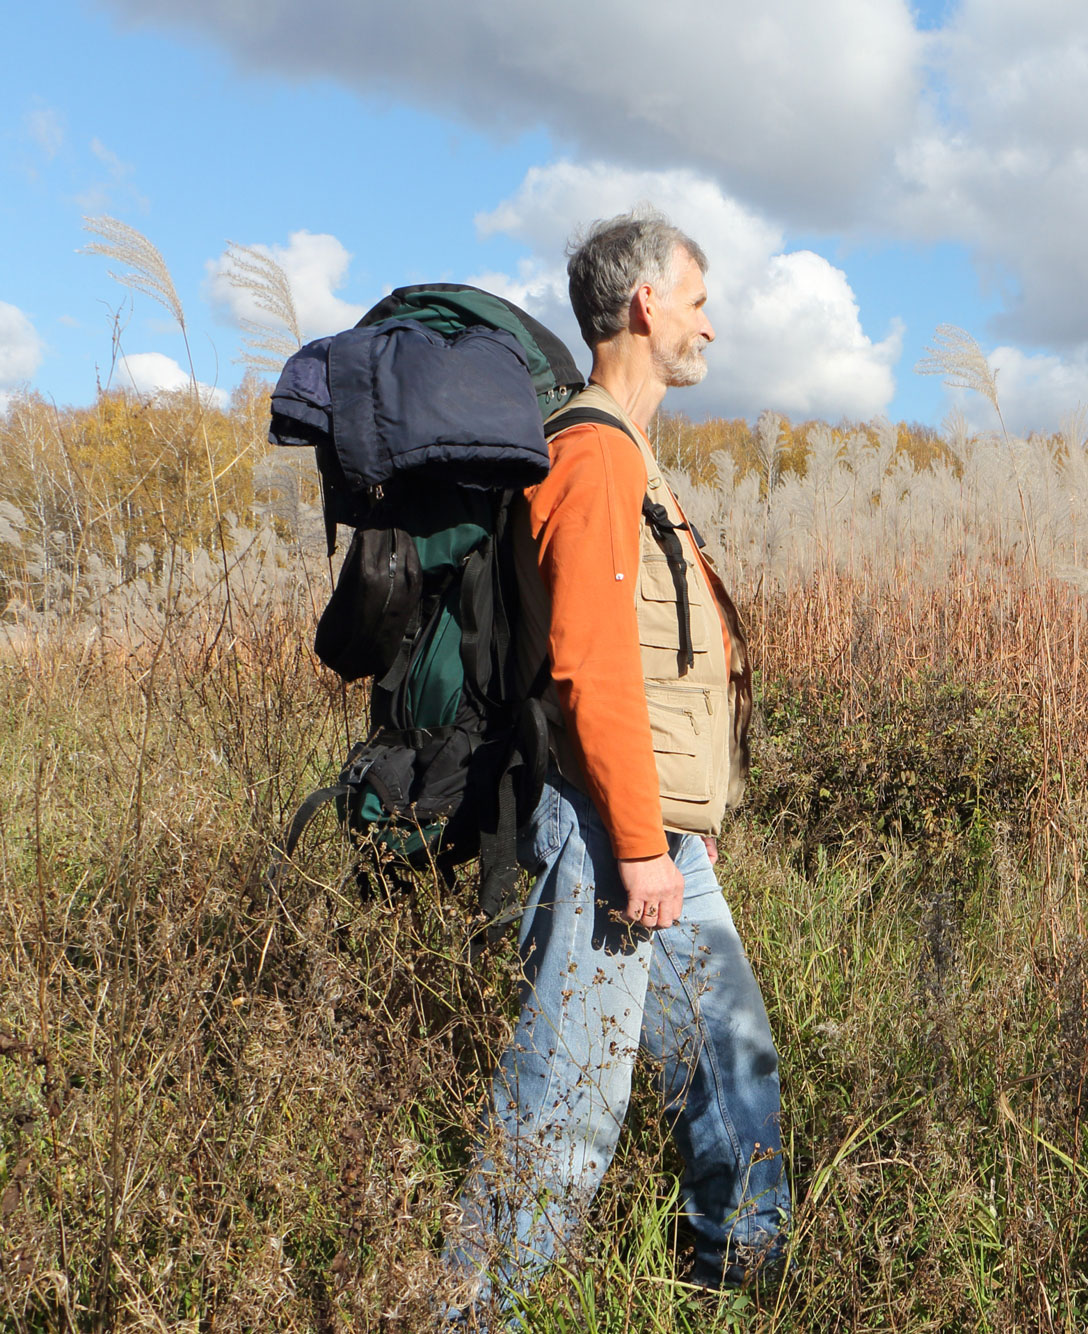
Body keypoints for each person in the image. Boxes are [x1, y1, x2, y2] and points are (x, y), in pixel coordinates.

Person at [445, 209, 787, 1318]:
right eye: (696, 301)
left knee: (734, 1069)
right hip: (607, 838)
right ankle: (468, 1309)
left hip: (657, 834)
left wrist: (681, 817)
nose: (708, 326)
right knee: (565, 1114)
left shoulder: (629, 454)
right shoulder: (592, 456)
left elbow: (661, 660)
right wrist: (642, 840)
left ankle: (738, 1285)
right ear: (645, 306)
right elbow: (593, 666)